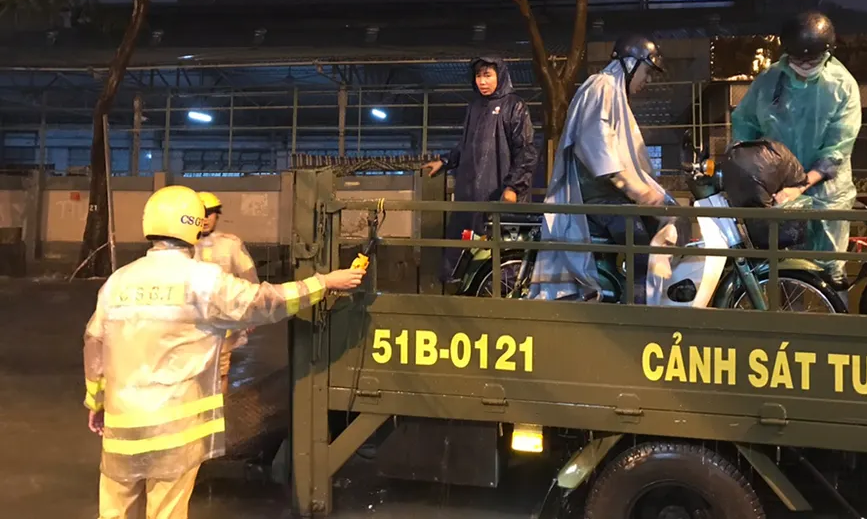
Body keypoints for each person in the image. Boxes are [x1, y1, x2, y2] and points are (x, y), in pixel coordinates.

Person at [83, 185, 366, 519]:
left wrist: (96, 403)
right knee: (166, 511)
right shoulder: (201, 281)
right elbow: (265, 301)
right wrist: (324, 283)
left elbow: (94, 344)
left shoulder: (118, 282)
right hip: (173, 431)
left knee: (113, 512)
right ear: (193, 223)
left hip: (120, 429)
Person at [528, 35, 682, 303]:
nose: (647, 80)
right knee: (638, 241)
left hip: (604, 195)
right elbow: (597, 147)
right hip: (595, 196)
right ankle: (638, 310)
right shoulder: (603, 86)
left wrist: (645, 188)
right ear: (630, 64)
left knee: (657, 223)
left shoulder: (615, 93)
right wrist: (638, 190)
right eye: (646, 72)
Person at [730, 10, 862, 286]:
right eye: (797, 59)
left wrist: (800, 186)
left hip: (826, 194)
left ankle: (832, 309)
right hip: (778, 190)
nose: (804, 65)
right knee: (785, 273)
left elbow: (836, 150)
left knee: (828, 273)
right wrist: (746, 169)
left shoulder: (842, 86)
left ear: (827, 52)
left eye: (811, 60)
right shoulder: (769, 81)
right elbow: (744, 123)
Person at [422, 55, 538, 282]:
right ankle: (458, 286)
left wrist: (513, 187)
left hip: (499, 190)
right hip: (469, 190)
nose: (482, 82)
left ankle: (502, 289)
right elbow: (466, 144)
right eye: (478, 76)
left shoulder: (514, 105)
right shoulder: (474, 106)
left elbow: (526, 150)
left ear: (500, 76)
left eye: (488, 75)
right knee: (464, 242)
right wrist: (445, 161)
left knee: (498, 247)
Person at [194, 191, 258, 392]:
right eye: (201, 214)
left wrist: (252, 312)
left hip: (223, 319)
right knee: (194, 370)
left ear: (217, 216)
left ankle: (217, 407)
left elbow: (248, 277)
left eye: (209, 214)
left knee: (221, 369)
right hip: (193, 319)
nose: (205, 219)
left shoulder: (230, 244)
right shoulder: (184, 246)